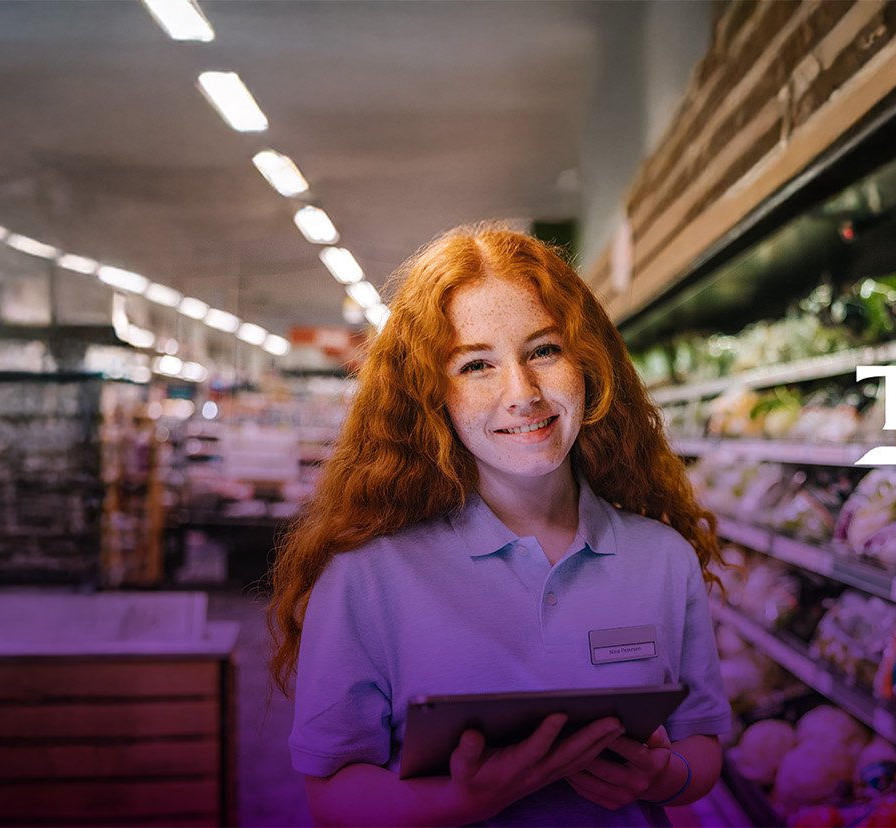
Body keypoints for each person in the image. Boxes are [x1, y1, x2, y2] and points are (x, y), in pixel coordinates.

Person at [269, 224, 730, 827]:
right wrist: (460, 803)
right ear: (431, 395)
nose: (523, 393)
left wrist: (665, 776)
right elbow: (331, 797)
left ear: (588, 361)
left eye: (544, 350)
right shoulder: (366, 576)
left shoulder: (662, 557)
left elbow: (703, 746)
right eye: (476, 365)